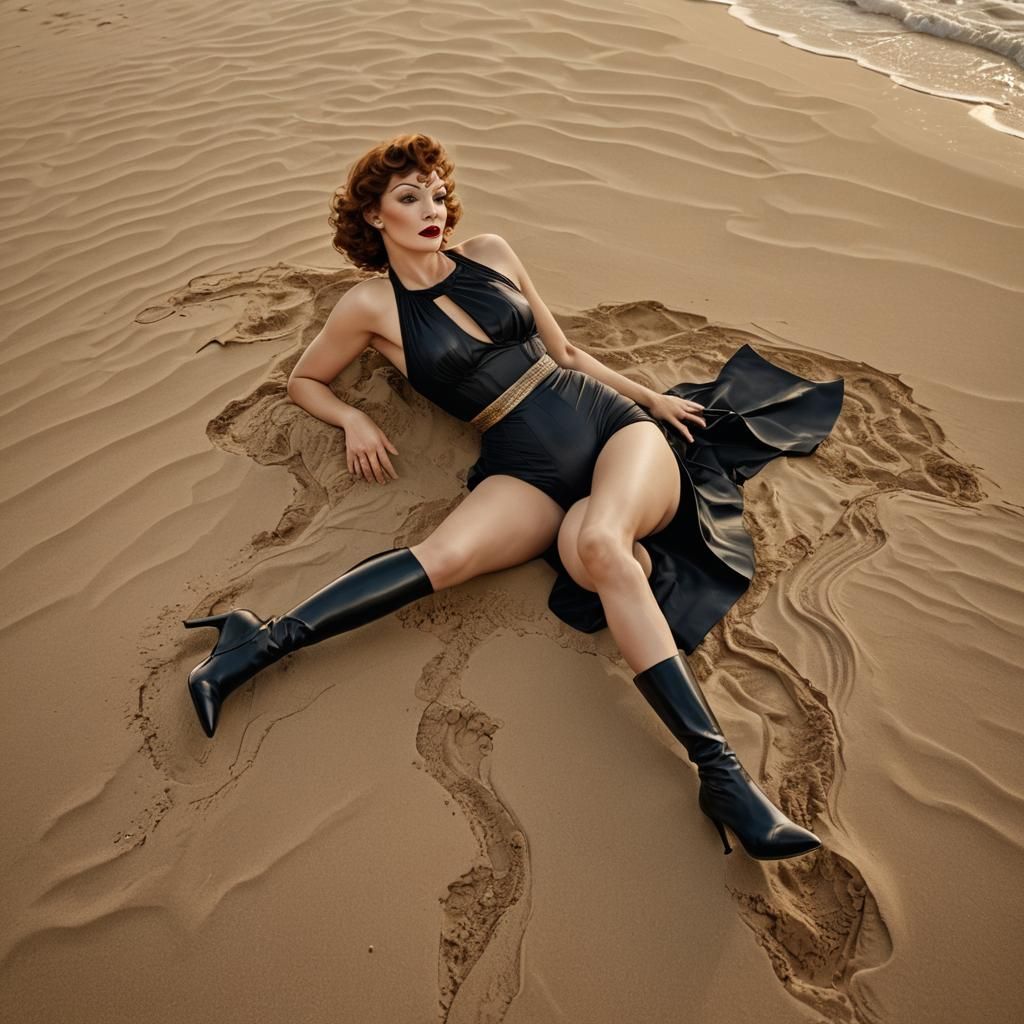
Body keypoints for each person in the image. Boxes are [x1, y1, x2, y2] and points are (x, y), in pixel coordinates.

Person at [183, 133, 843, 862]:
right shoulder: (370, 306)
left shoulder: (491, 253)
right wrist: (353, 416)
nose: (432, 208)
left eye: (436, 193)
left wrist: (651, 398)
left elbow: (565, 352)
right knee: (447, 554)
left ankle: (721, 776)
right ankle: (255, 641)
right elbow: (303, 381)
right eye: (409, 198)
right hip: (523, 465)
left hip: (610, 427)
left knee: (598, 545)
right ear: (373, 216)